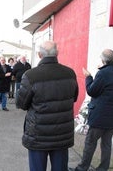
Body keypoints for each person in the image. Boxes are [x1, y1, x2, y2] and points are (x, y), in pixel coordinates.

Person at [16, 40, 79, 171]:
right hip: (62, 133)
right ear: (57, 53)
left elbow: (21, 104)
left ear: (39, 55)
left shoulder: (30, 76)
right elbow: (74, 98)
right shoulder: (70, 73)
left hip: (38, 134)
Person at [71, 49, 113, 171]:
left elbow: (91, 91)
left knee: (90, 143)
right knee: (106, 145)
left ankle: (82, 168)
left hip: (99, 117)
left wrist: (88, 77)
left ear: (103, 61)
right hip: (112, 117)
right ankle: (103, 168)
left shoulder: (102, 73)